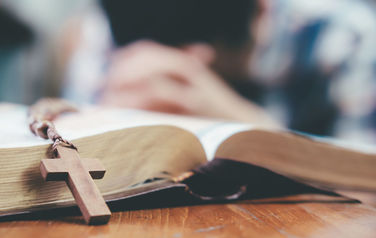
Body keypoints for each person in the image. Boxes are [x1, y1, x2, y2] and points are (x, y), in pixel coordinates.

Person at [66, 0, 376, 143]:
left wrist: (255, 134)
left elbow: (368, 179)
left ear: (262, 8)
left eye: (210, 64)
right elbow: (71, 133)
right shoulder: (116, 25)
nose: (182, 72)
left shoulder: (347, 36)